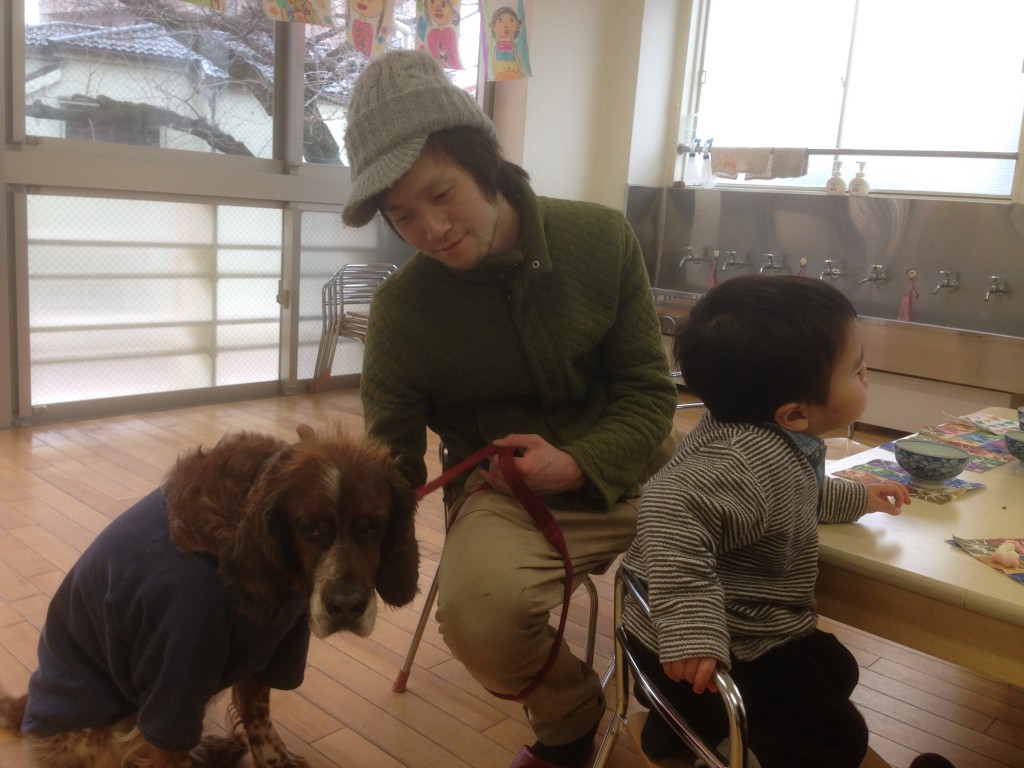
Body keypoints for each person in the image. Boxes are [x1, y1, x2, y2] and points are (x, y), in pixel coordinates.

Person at [340, 50, 678, 768]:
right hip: (507, 498)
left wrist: (579, 461)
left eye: (442, 194)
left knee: (762, 541)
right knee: (478, 616)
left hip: (644, 473)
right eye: (403, 217)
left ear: (485, 161)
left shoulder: (601, 239)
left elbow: (649, 392)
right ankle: (571, 722)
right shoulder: (402, 310)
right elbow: (392, 458)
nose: (431, 229)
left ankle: (693, 711)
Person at [621, 275, 913, 768]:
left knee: (835, 666)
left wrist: (858, 499)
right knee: (839, 735)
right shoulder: (743, 461)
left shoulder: (765, 432)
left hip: (748, 628)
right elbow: (668, 504)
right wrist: (691, 628)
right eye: (856, 370)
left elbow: (797, 493)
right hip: (700, 652)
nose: (867, 376)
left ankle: (679, 729)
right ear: (794, 414)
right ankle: (704, 731)